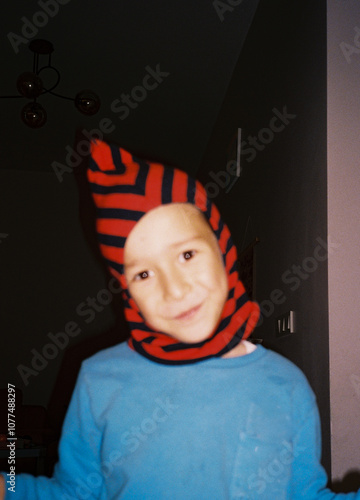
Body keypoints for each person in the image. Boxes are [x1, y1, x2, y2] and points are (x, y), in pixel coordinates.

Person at [1, 140, 359, 499]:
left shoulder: (286, 385)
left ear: (223, 250)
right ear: (126, 292)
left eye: (187, 254)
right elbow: (73, 493)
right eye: (143, 274)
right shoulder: (99, 379)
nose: (174, 289)